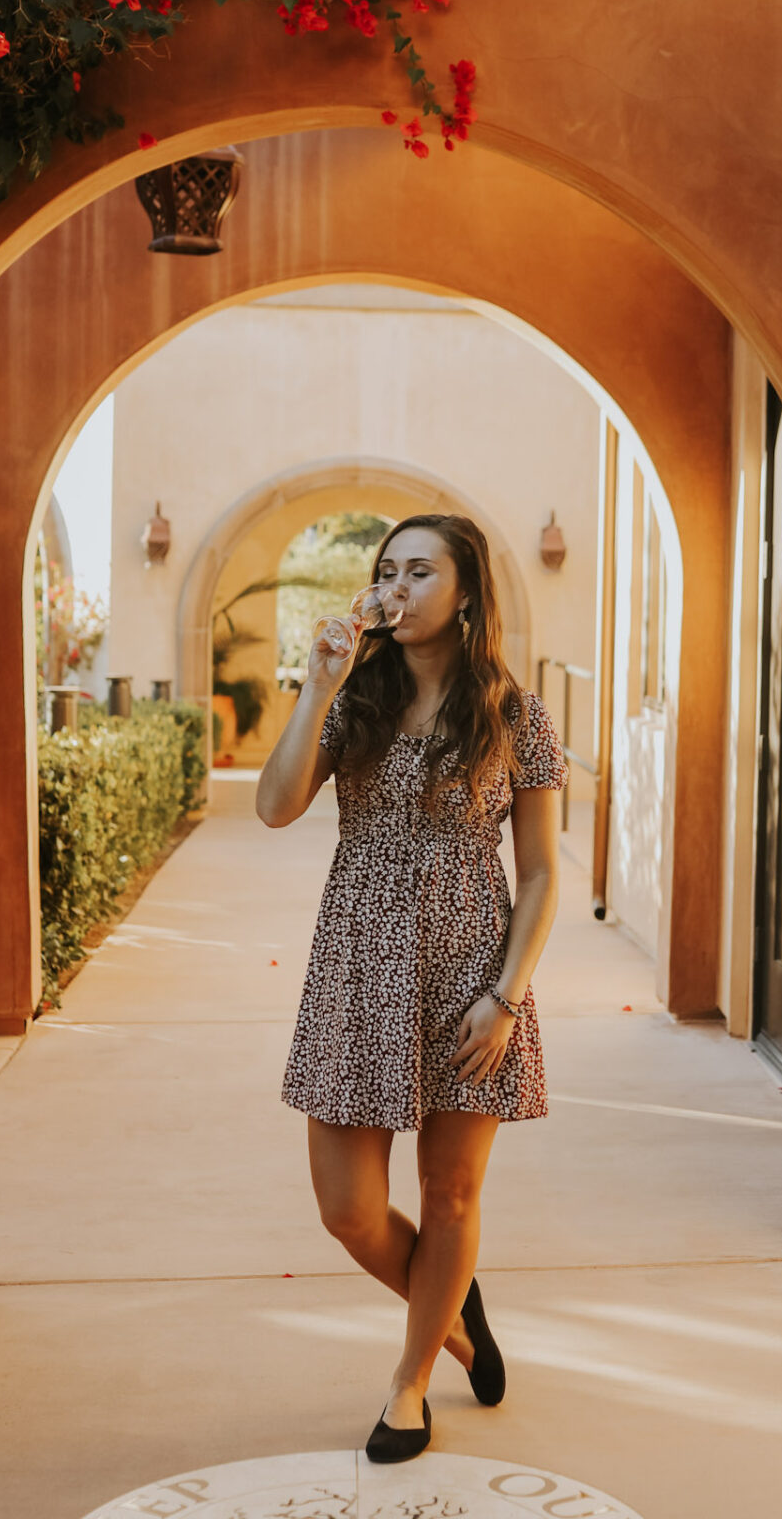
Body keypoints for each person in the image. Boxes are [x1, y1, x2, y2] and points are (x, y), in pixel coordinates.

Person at [255, 512, 568, 1464]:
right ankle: (458, 1318)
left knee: (451, 1197)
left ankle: (411, 1382)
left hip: (472, 974)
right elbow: (274, 807)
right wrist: (318, 684)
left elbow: (545, 874)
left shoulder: (515, 712)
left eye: (420, 571)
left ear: (466, 592)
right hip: (357, 964)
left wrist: (505, 998)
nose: (397, 587)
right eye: (386, 570)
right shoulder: (358, 699)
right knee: (348, 1209)